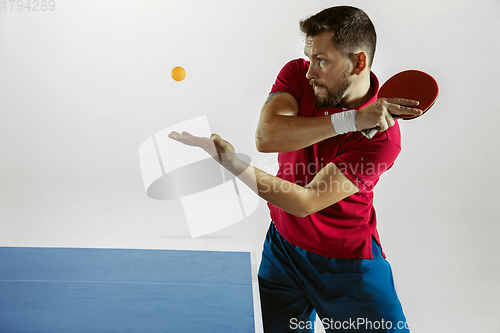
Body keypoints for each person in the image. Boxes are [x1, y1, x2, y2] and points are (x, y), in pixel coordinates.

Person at [170, 6, 419, 332]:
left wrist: (232, 164)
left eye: (322, 60)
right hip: (283, 252)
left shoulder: (384, 139)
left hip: (346, 266)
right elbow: (267, 136)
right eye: (310, 57)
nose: (310, 71)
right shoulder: (298, 77)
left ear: (358, 62)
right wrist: (351, 120)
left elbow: (306, 201)